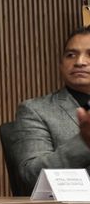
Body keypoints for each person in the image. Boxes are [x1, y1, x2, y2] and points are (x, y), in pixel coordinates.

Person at [10, 26, 90, 193]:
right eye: (71, 55)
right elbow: (31, 175)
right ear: (61, 64)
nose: (80, 62)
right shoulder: (36, 110)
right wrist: (85, 143)